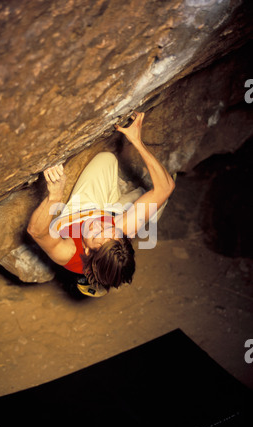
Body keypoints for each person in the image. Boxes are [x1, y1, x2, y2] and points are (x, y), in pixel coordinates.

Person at [27, 111, 175, 297]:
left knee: (153, 204)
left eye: (97, 234)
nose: (100, 225)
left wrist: (54, 198)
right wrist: (136, 140)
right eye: (111, 231)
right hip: (108, 210)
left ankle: (95, 281)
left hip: (80, 211)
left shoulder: (67, 253)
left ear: (87, 251)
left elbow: (36, 232)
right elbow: (165, 187)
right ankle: (130, 193)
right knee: (109, 161)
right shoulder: (121, 230)